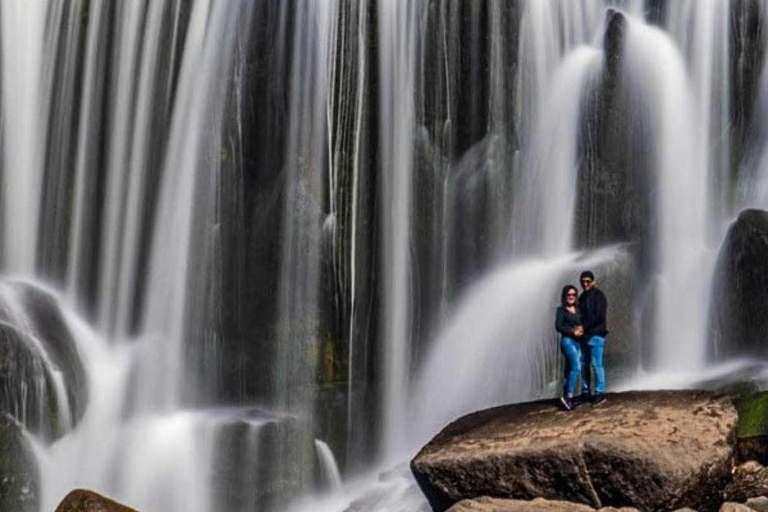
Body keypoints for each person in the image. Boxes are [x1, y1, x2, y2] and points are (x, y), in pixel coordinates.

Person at [577, 270, 608, 404]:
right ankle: (585, 392)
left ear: (593, 281)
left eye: (588, 281)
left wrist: (585, 327)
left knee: (596, 364)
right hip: (584, 336)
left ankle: (600, 392)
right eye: (583, 281)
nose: (585, 284)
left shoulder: (599, 295)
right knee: (584, 364)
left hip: (596, 334)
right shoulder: (582, 297)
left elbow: (600, 316)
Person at [555, 285, 584, 411]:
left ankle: (565, 396)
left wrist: (582, 329)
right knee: (576, 367)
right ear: (565, 296)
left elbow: (584, 322)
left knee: (569, 369)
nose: (571, 297)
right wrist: (573, 331)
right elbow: (558, 326)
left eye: (573, 294)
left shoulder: (579, 309)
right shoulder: (561, 310)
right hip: (568, 341)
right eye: (569, 294)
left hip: (579, 342)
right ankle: (568, 398)